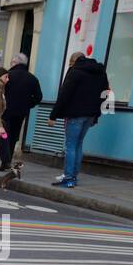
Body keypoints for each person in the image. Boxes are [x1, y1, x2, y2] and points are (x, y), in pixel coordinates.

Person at [47, 51, 110, 188]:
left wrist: (53, 115)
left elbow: (64, 94)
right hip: (90, 115)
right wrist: (96, 115)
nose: (70, 66)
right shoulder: (101, 73)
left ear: (74, 61)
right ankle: (73, 175)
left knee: (70, 145)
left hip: (75, 115)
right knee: (79, 144)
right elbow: (105, 95)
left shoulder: (75, 72)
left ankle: (69, 177)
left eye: (70, 63)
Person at [0, 52, 42, 173]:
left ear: (15, 63)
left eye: (12, 62)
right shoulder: (32, 78)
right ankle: (8, 160)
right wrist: (28, 104)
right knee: (14, 137)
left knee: (5, 136)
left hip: (7, 113)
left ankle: (5, 162)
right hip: (21, 113)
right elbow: (38, 97)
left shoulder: (8, 76)